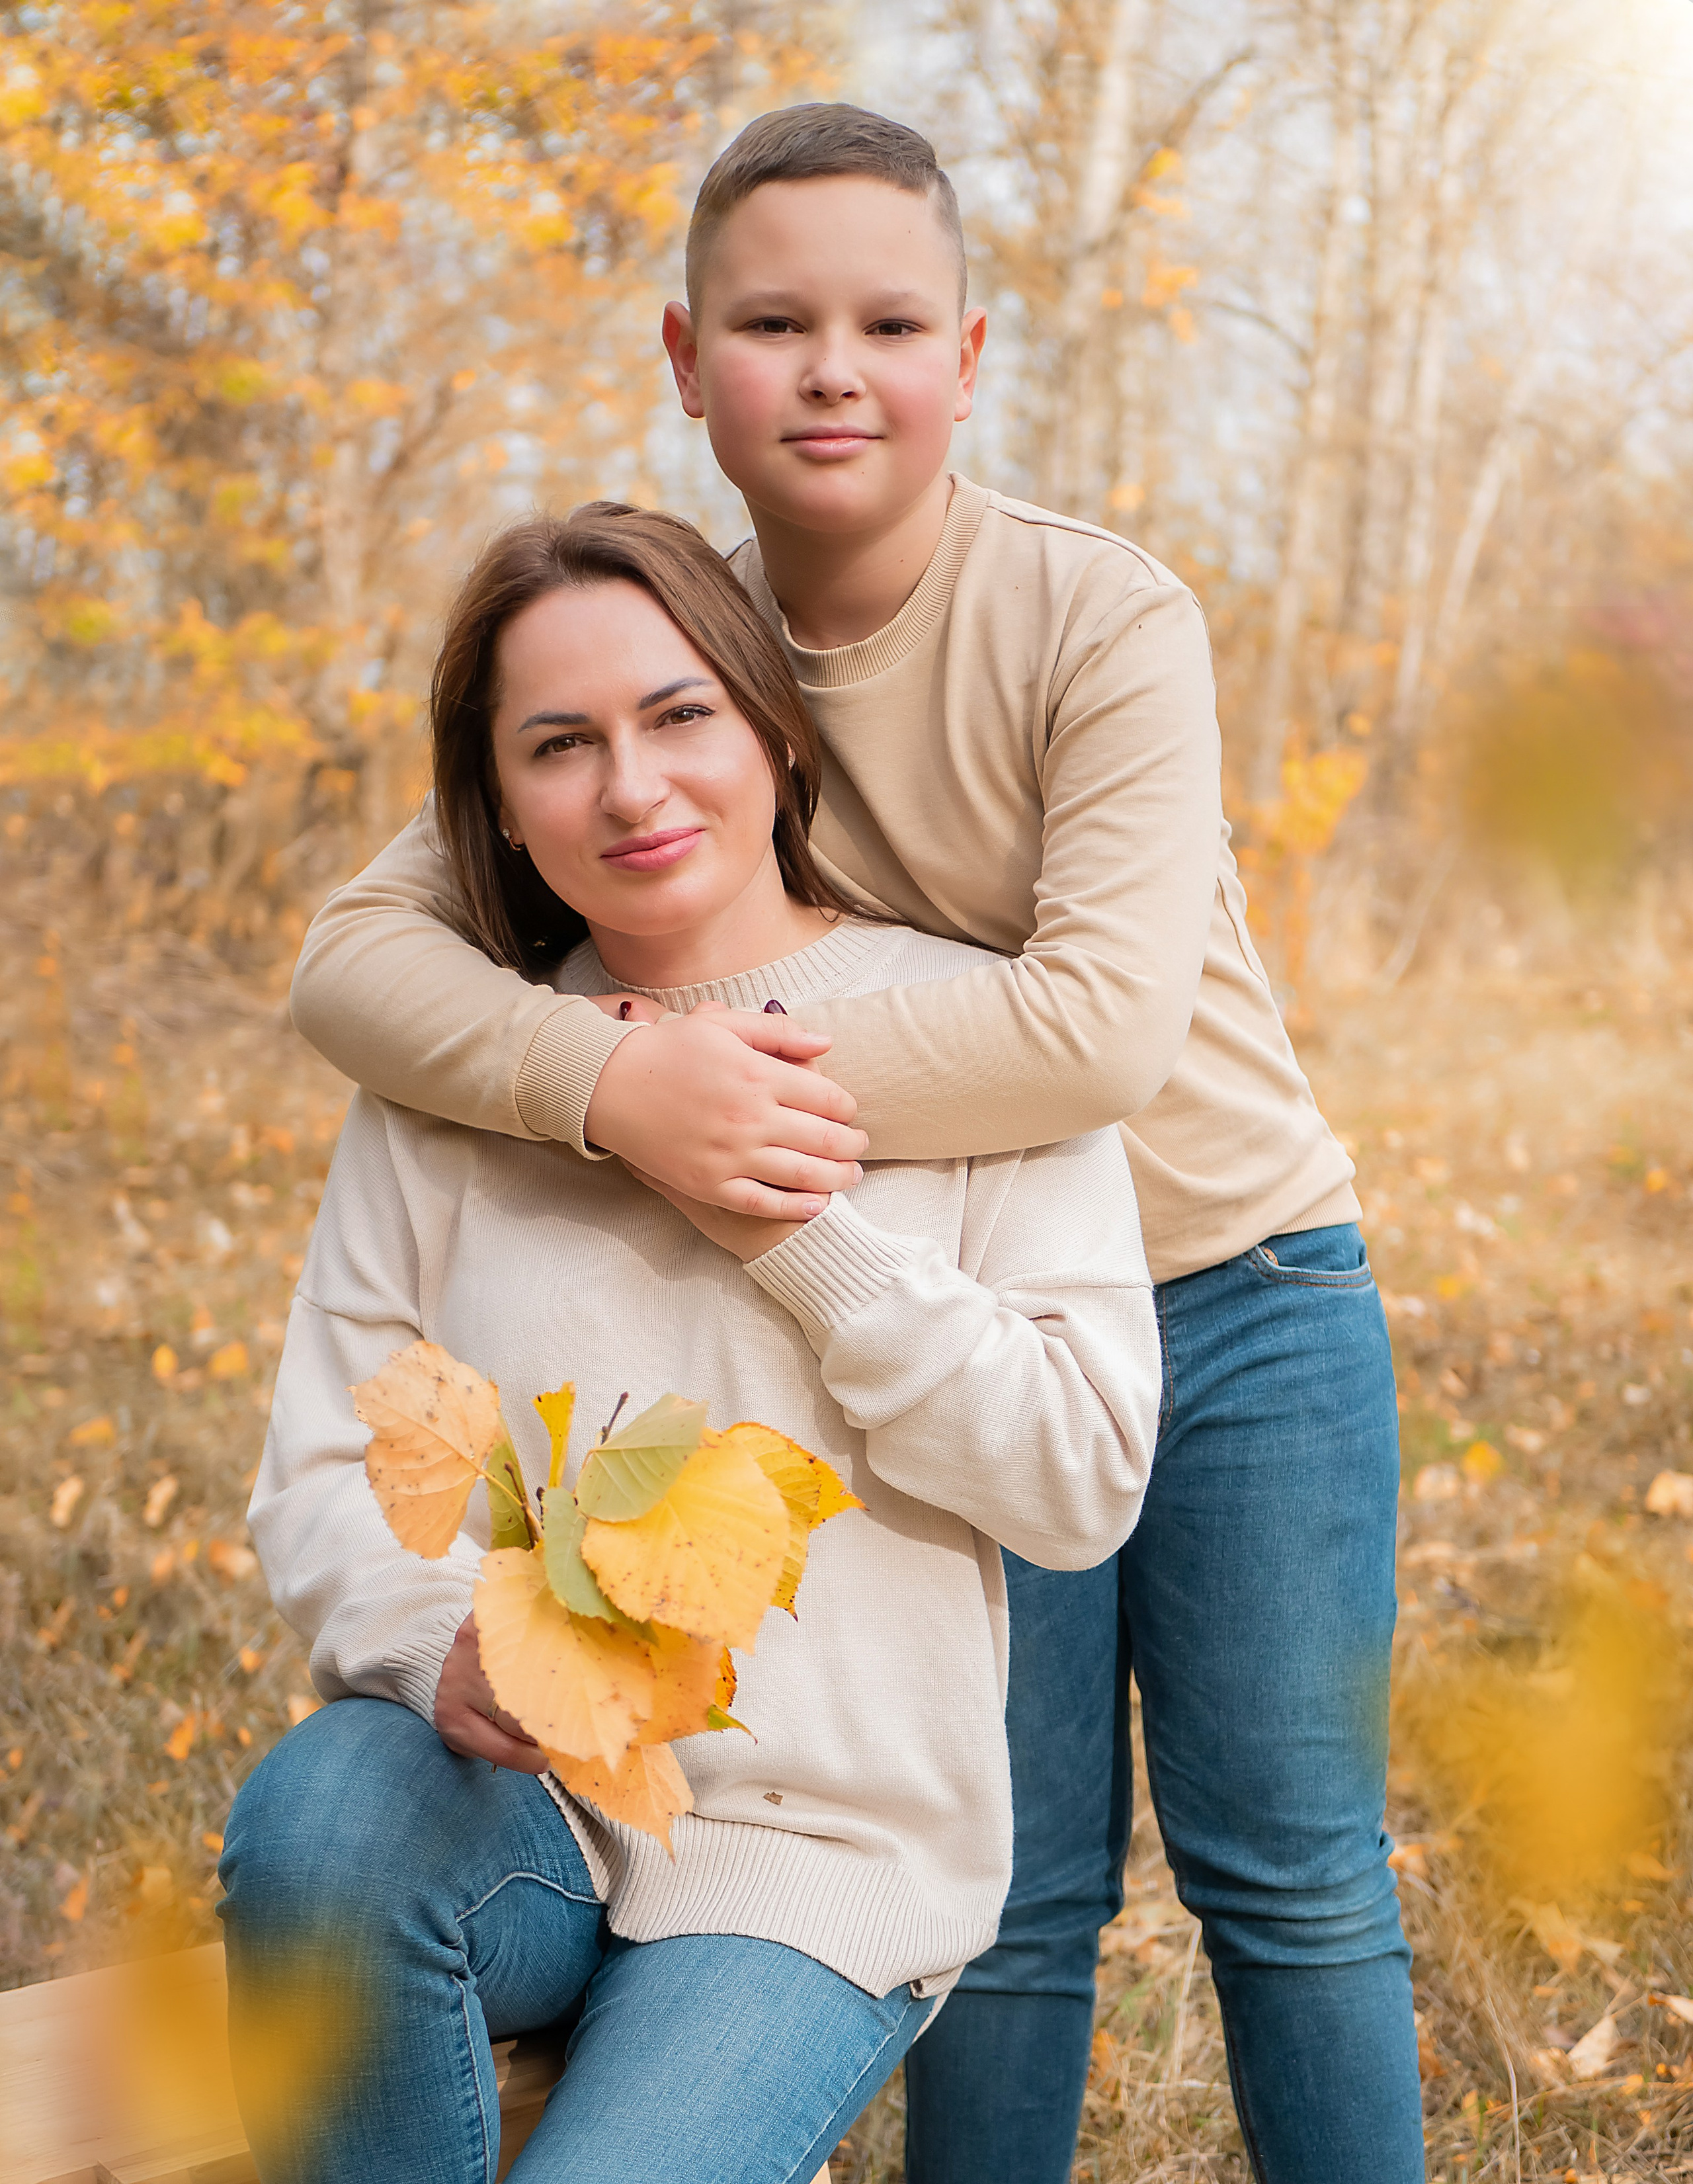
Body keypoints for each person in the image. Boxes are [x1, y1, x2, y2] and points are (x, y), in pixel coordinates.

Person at [286, 106, 1419, 2184]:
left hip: (1230, 1282)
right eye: (773, 320)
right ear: (683, 354)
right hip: (941, 1286)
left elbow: (1096, 1033)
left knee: (1291, 1869)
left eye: (888, 320)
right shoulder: (664, 653)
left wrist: (720, 1076)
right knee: (1024, 1904)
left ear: (967, 359)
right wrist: (611, 1085)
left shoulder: (1096, 617)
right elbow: (360, 952)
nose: (829, 366)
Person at [220, 504, 1162, 2184]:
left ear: (773, 729)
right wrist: (433, 1635)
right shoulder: (459, 1074)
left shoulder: (969, 1039)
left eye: (677, 717)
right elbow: (321, 1469)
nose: (632, 790)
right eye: (559, 745)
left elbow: (1079, 1479)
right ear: (496, 808)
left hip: (818, 1847)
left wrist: (797, 1228)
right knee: (314, 1823)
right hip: (517, 1801)